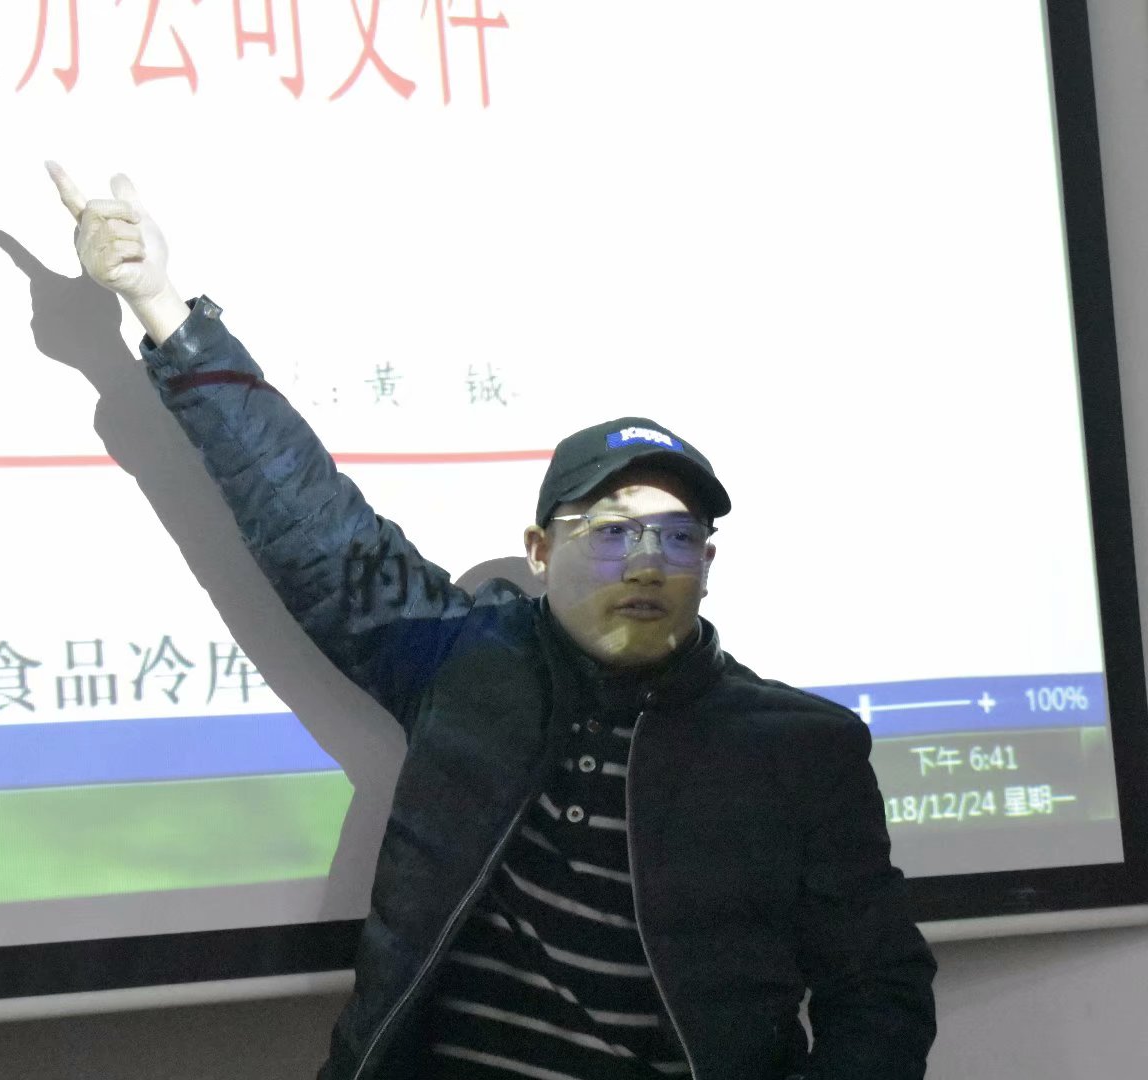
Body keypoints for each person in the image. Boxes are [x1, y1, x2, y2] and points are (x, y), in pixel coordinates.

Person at [45, 165, 937, 1080]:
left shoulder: (798, 748)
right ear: (541, 551)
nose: (647, 563)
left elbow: (881, 991)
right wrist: (161, 306)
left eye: (677, 538)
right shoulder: (466, 665)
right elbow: (308, 518)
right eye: (613, 531)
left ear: (706, 566)